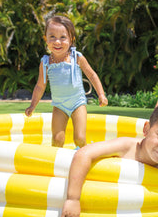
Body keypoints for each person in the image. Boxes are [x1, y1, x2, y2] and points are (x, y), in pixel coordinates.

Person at [25, 15, 108, 148]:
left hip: (77, 103)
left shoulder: (77, 57)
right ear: (46, 39)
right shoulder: (45, 63)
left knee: (79, 138)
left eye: (63, 37)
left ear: (71, 39)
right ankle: (57, 160)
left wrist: (101, 94)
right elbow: (40, 86)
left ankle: (85, 155)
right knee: (57, 140)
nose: (57, 42)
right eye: (52, 37)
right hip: (59, 105)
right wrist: (32, 105)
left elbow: (92, 75)